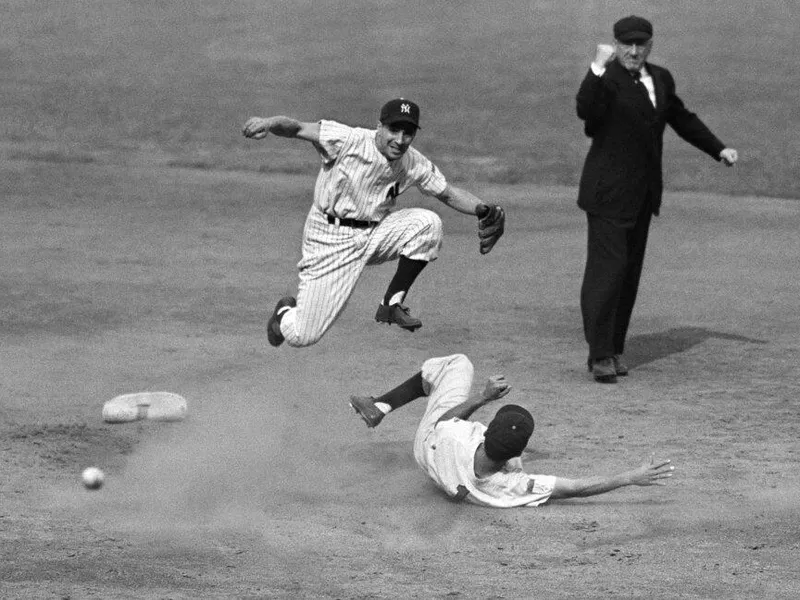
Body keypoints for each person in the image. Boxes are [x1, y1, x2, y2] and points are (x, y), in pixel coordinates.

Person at [242, 99, 505, 348]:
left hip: (376, 235)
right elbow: (297, 127)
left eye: (408, 133)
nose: (400, 140)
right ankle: (284, 313)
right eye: (393, 130)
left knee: (428, 224)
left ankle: (391, 304)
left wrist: (482, 209)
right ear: (379, 126)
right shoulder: (347, 139)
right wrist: (269, 122)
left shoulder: (413, 162)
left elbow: (447, 192)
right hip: (328, 239)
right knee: (303, 335)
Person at [576, 16, 739, 383]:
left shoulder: (660, 78)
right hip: (607, 194)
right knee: (607, 273)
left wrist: (718, 149)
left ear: (650, 45)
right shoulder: (606, 80)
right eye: (626, 45)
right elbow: (587, 112)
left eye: (641, 44)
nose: (634, 51)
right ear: (615, 45)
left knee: (629, 275)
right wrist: (595, 68)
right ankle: (599, 354)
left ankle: (614, 348)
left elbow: (681, 118)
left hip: (643, 195)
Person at [349, 354, 674, 507]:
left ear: (486, 431)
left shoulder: (457, 435)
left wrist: (483, 397)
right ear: (515, 453)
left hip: (431, 447)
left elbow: (442, 422)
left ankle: (382, 406)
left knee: (457, 364)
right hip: (446, 476)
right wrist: (631, 477)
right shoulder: (511, 485)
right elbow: (576, 488)